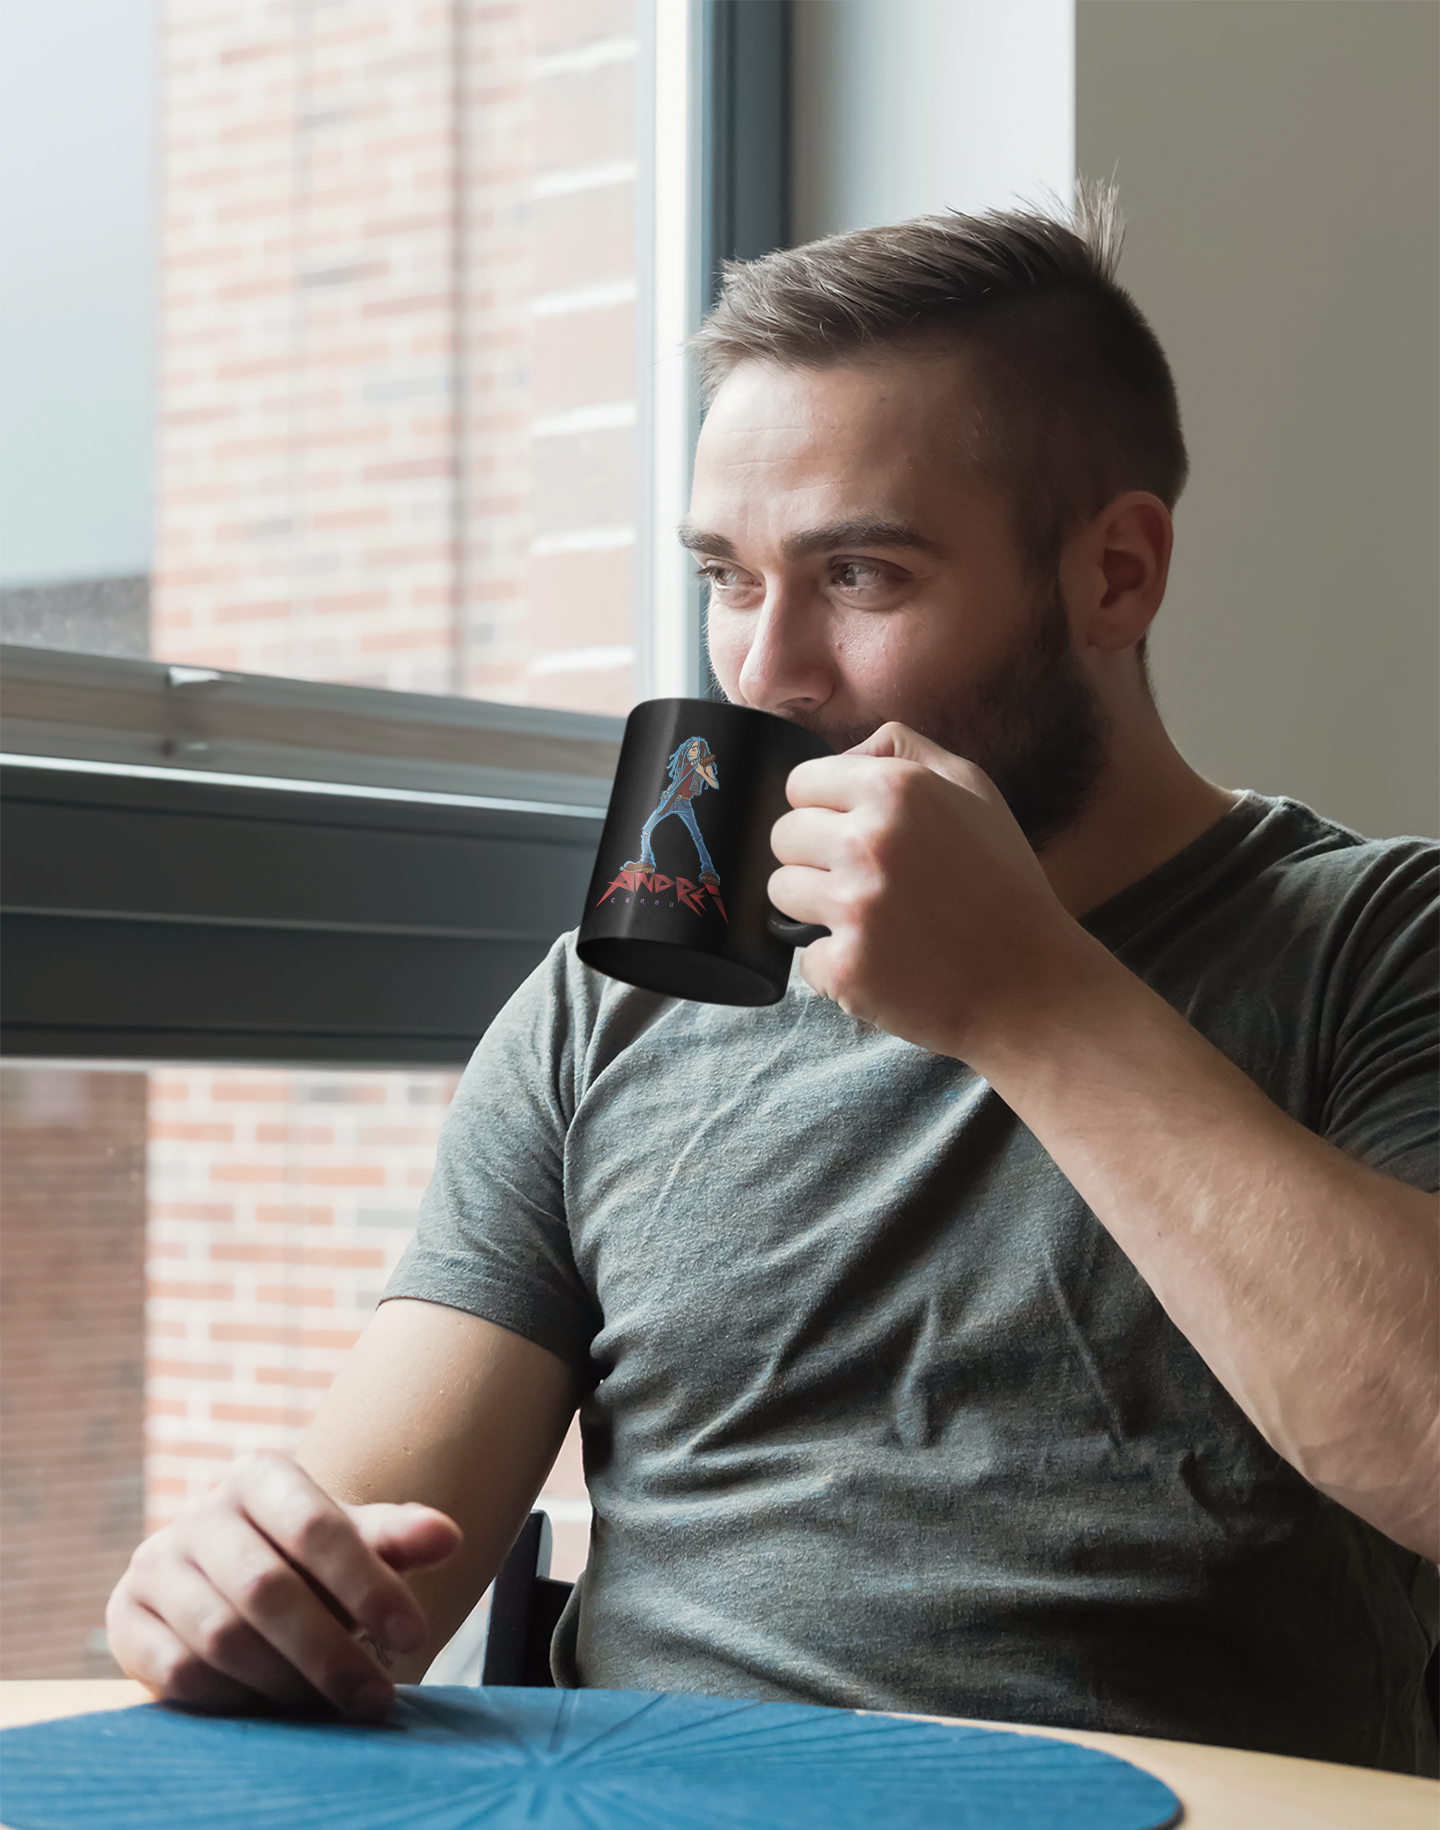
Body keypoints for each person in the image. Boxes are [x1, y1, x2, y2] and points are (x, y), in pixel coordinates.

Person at [106, 191, 1439, 1775]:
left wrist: (1031, 999)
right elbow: (373, 1562)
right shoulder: (606, 1002)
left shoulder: (1379, 941)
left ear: (1116, 574)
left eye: (859, 574)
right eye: (729, 578)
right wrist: (248, 1591)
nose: (763, 670)